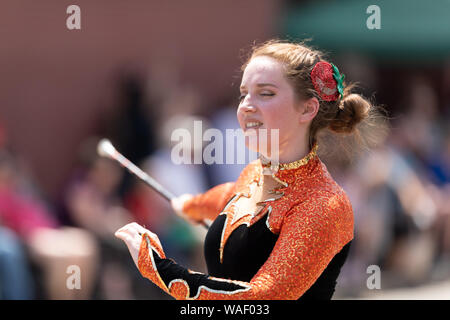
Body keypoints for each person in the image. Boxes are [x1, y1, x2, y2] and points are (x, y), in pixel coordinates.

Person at [115, 39, 384, 300]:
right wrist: (191, 205)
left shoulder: (325, 205)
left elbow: (262, 298)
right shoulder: (254, 173)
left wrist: (160, 269)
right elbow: (230, 197)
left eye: (266, 93)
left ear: (307, 109)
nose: (246, 106)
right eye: (244, 94)